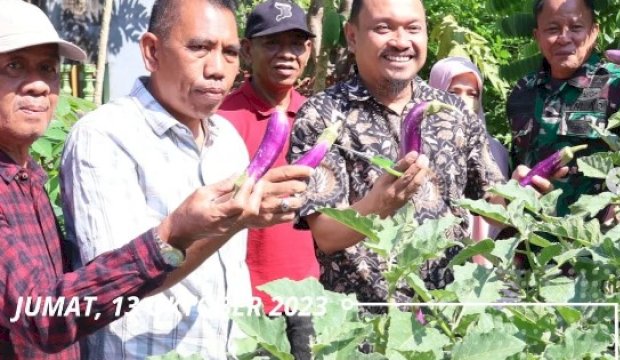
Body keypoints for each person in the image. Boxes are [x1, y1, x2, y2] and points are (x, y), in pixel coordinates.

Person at [0, 1, 309, 359]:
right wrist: (184, 231)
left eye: (48, 69)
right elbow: (72, 304)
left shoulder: (228, 141)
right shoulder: (104, 137)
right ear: (151, 51)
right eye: (13, 66)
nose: (217, 68)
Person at [287, 0, 505, 304]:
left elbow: (493, 201)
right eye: (383, 28)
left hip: (448, 319)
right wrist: (379, 204)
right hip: (363, 329)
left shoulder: (453, 112)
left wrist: (523, 194)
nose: (401, 42)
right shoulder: (322, 115)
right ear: (352, 36)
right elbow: (325, 234)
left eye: (413, 28)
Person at [216, 1, 316, 358]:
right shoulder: (220, 120)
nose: (286, 54)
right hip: (247, 297)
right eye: (272, 43)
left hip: (307, 295)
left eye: (296, 43)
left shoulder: (316, 116)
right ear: (246, 50)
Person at [507, 0, 620, 216]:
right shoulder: (522, 92)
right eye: (553, 29)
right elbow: (517, 164)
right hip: (535, 239)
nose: (564, 38)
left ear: (593, 32)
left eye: (576, 28)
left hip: (600, 241)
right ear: (537, 37)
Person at [429, 56, 510, 266]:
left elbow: (501, 216)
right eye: (453, 92)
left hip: (488, 270)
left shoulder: (496, 151)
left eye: (472, 94)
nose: (462, 101)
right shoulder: (417, 147)